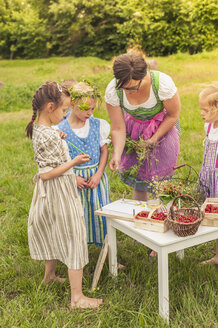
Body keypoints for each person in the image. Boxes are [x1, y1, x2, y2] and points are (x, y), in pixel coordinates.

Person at [25, 81, 103, 308]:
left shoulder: (43, 128)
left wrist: (55, 135)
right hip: (58, 191)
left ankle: (49, 277)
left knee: (53, 230)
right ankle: (77, 298)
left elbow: (48, 152)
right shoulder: (46, 134)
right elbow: (47, 174)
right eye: (63, 110)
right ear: (50, 107)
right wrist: (74, 162)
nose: (66, 114)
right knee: (73, 236)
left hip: (51, 194)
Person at [105, 52, 180, 257]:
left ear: (144, 75)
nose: (128, 91)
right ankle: (143, 227)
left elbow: (173, 115)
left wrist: (154, 139)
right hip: (134, 131)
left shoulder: (162, 84)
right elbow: (118, 128)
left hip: (162, 129)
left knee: (161, 183)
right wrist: (117, 155)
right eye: (124, 87)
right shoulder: (114, 90)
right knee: (139, 180)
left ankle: (162, 233)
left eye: (133, 87)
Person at [58, 80, 110, 246]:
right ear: (72, 105)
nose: (89, 112)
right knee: (76, 215)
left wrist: (99, 173)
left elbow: (104, 151)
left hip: (96, 179)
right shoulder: (60, 129)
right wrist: (72, 177)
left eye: (92, 108)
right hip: (74, 180)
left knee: (100, 212)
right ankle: (77, 251)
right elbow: (58, 159)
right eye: (85, 108)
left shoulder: (98, 124)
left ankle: (107, 251)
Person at [199, 85, 218, 265]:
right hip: (209, 178)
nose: (202, 113)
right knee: (212, 216)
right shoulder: (209, 126)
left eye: (205, 110)